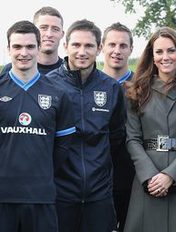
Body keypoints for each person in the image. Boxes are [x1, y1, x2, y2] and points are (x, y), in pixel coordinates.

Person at [122, 26, 176, 232]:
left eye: (171, 50)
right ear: (152, 57)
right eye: (159, 52)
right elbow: (132, 139)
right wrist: (150, 176)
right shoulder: (136, 91)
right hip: (147, 177)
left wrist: (170, 175)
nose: (165, 57)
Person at [48, 19, 126, 232]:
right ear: (66, 46)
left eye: (89, 46)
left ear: (99, 48)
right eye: (76, 45)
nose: (82, 51)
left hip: (99, 195)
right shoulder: (48, 85)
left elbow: (117, 138)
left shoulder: (111, 88)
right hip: (60, 194)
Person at [0, 20, 76, 232]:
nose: (23, 52)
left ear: (39, 47)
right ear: (8, 49)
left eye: (30, 46)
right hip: (2, 196)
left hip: (41, 196)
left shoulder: (58, 93)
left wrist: (40, 170)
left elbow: (62, 147)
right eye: (17, 46)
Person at [100, 22, 135, 231]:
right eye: (112, 44)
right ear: (102, 46)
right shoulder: (88, 85)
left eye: (123, 46)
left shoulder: (144, 86)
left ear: (131, 49)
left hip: (134, 180)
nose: (117, 51)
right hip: (97, 181)